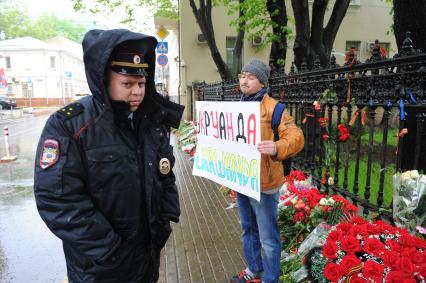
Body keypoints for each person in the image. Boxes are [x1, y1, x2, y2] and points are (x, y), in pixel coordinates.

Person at [34, 29, 184, 283]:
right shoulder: (70, 125)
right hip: (99, 269)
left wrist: (162, 229)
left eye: (141, 84)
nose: (137, 92)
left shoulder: (151, 121)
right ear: (104, 80)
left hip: (146, 261)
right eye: (127, 84)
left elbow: (165, 174)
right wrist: (110, 251)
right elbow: (58, 200)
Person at [232, 59, 304, 283]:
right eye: (243, 75)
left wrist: (277, 146)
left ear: (262, 84)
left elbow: (296, 137)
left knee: (268, 237)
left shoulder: (275, 108)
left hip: (265, 183)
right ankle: (255, 269)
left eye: (251, 77)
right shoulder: (236, 106)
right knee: (247, 229)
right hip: (242, 178)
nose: (244, 80)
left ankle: (270, 278)